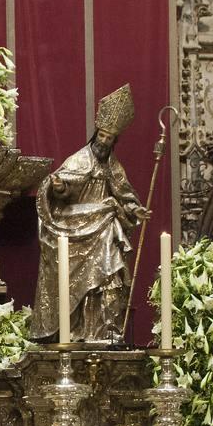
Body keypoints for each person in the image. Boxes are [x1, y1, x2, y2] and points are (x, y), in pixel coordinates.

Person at [31, 84, 149, 344]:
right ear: (96, 134)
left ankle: (103, 331)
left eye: (109, 138)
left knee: (107, 278)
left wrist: (133, 209)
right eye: (102, 136)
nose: (104, 142)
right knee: (77, 284)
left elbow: (124, 194)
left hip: (104, 227)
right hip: (74, 228)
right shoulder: (79, 160)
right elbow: (61, 185)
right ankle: (75, 330)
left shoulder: (113, 167)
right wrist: (59, 187)